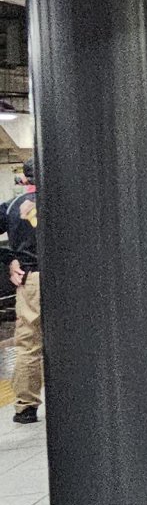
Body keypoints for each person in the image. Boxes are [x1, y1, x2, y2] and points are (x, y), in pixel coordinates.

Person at [5, 163, 38, 424]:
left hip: (31, 279)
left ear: (25, 179)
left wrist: (9, 258)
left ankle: (26, 408)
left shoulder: (13, 205)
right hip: (72, 279)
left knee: (29, 344)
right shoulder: (68, 200)